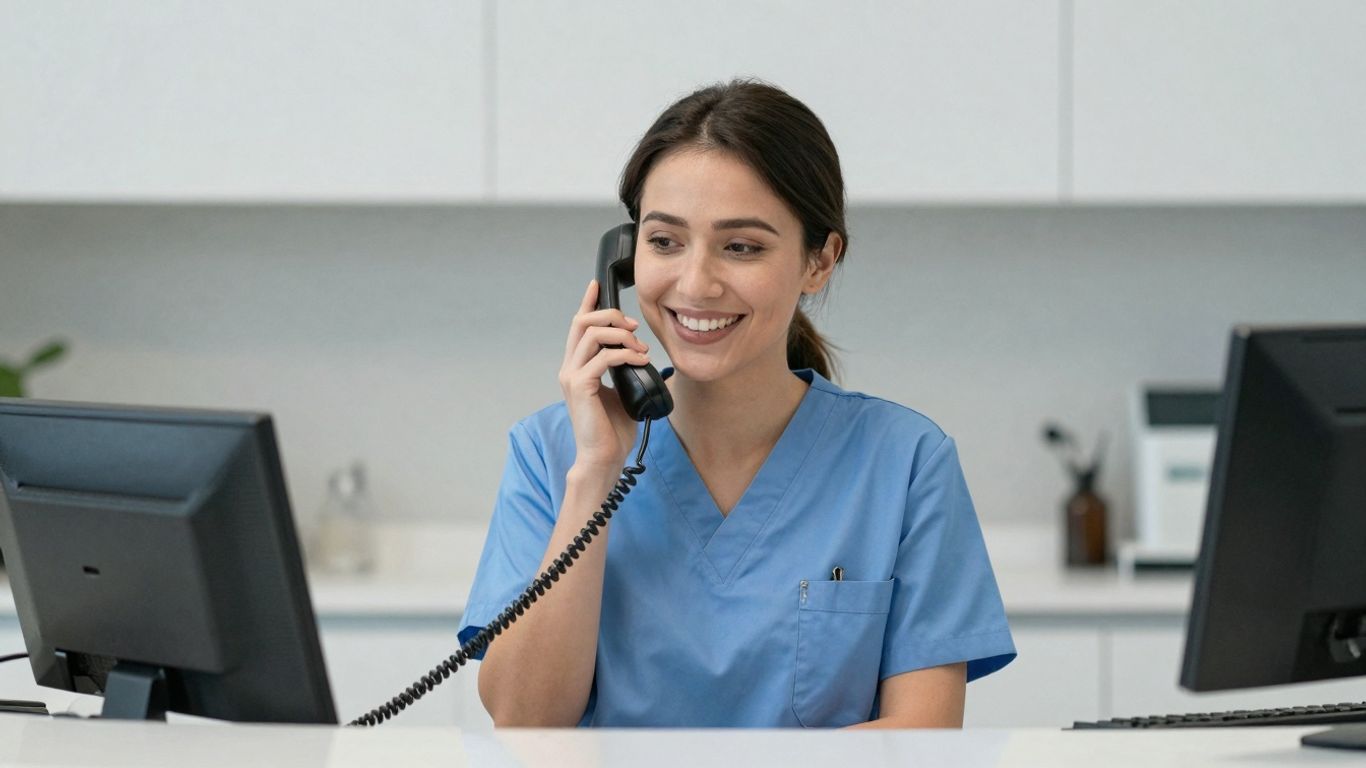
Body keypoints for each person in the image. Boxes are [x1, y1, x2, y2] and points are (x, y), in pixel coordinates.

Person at [458, 79, 1015, 729]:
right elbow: (525, 725)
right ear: (625, 257)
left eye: (742, 246)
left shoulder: (908, 462)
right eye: (665, 241)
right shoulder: (551, 454)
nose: (696, 284)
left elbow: (922, 741)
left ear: (819, 260)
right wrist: (593, 480)